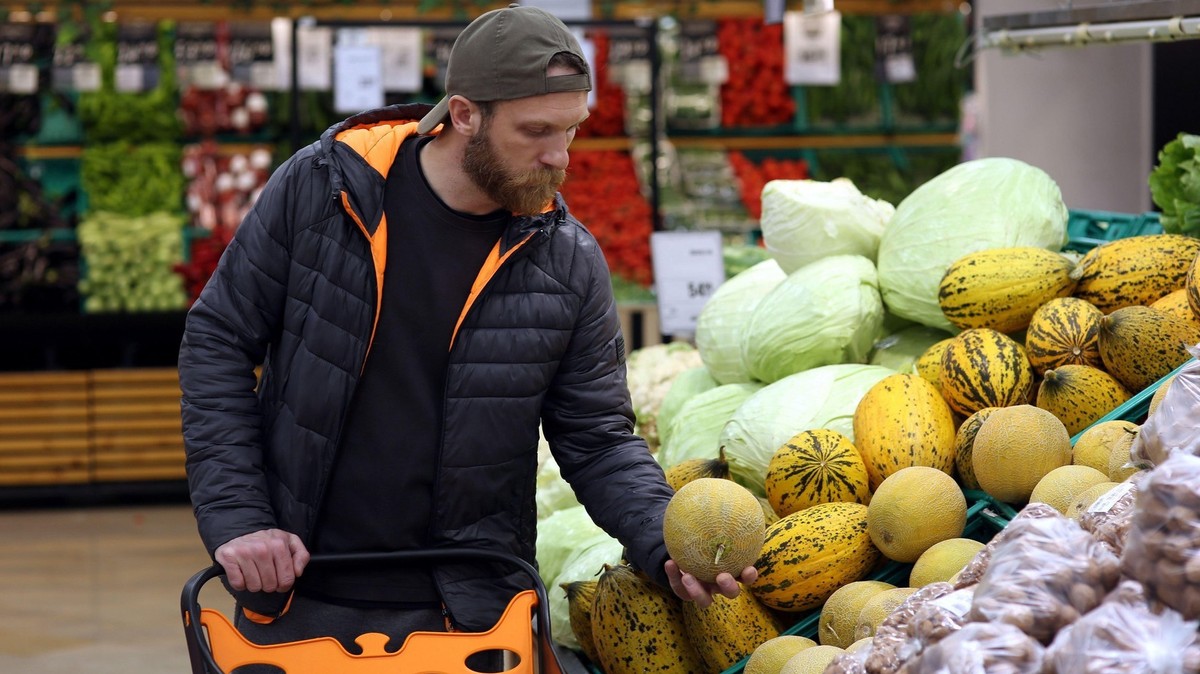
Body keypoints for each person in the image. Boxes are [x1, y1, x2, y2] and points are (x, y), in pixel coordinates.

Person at [178, 4, 755, 670]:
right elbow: (217, 341)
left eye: (572, 130)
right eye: (536, 131)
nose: (559, 156)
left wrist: (662, 541)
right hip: (302, 593)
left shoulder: (567, 260)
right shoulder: (324, 191)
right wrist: (240, 517)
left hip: (472, 609)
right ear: (464, 114)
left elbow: (596, 436)